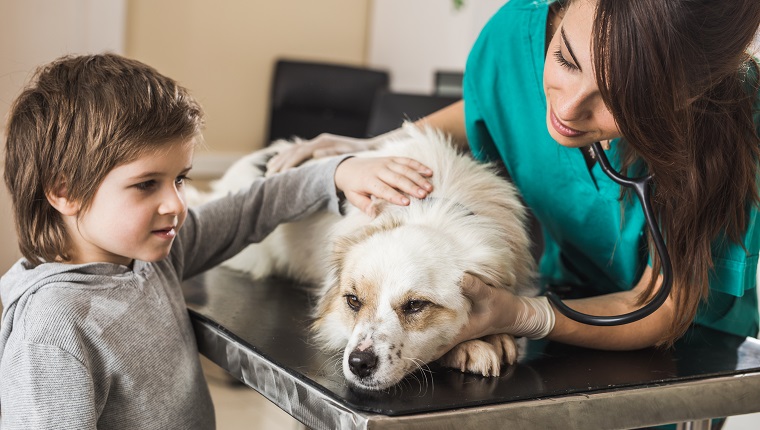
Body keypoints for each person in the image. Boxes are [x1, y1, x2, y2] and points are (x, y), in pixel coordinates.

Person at [266, 0, 760, 352]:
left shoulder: (738, 119)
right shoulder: (515, 34)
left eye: (621, 100)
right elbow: (499, 100)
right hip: (567, 293)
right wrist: (376, 146)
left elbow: (661, 306)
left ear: (693, 96)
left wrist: (525, 315)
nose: (566, 108)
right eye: (565, 59)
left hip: (682, 352)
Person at [0, 53, 433, 429]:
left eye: (180, 179)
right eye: (147, 184)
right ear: (65, 191)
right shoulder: (52, 331)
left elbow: (252, 208)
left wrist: (336, 173)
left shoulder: (152, 258)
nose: (175, 203)